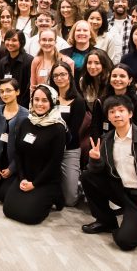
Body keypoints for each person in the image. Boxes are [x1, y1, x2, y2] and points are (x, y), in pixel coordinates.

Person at [80, 95, 137, 251]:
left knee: (125, 241)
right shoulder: (107, 139)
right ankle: (106, 221)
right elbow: (97, 173)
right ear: (108, 117)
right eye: (112, 112)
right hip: (120, 190)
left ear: (130, 113)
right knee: (87, 176)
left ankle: (136, 225)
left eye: (121, 110)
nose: (116, 115)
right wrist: (95, 160)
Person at [2, 84, 67, 225]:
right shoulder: (26, 122)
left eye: (44, 100)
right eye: (36, 99)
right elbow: (18, 154)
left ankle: (55, 194)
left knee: (30, 216)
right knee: (9, 210)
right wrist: (22, 178)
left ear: (52, 102)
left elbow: (54, 163)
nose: (39, 104)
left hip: (46, 179)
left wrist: (35, 184)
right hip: (26, 176)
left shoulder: (58, 128)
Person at [0, 78, 30, 202]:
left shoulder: (26, 115)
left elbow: (24, 148)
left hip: (14, 166)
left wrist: (12, 168)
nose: (4, 94)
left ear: (17, 92)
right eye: (1, 91)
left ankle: (9, 183)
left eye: (8, 90)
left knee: (4, 196)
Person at [47, 63, 87, 208]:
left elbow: (73, 131)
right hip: (48, 148)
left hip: (69, 149)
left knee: (70, 200)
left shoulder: (78, 101)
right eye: (56, 75)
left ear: (70, 76)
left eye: (63, 74)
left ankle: (78, 185)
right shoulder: (49, 97)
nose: (59, 78)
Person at [0, 29, 32, 108]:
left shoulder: (29, 61)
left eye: (14, 40)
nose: (10, 43)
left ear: (21, 42)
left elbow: (29, 87)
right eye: (7, 40)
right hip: (6, 103)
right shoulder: (3, 62)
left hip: (24, 105)